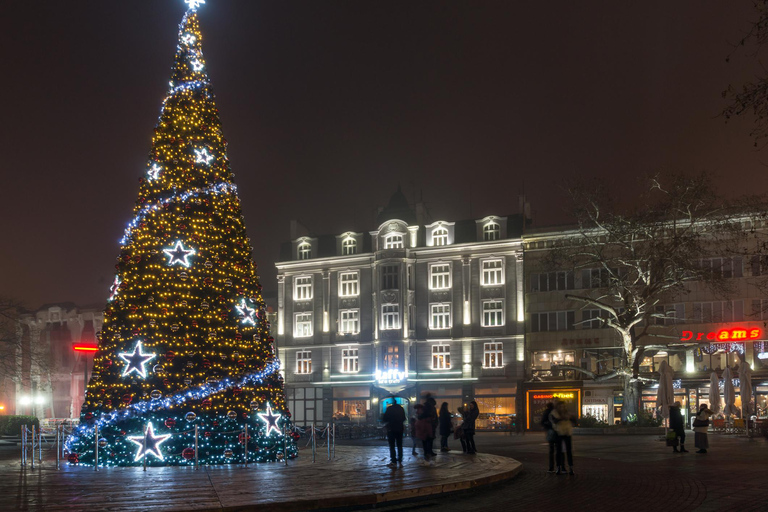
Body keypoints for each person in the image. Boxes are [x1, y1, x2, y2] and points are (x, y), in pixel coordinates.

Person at [550, 401, 576, 475]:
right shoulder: (554, 413)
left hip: (567, 433)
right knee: (559, 451)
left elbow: (574, 421)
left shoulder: (568, 413)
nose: (562, 408)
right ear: (557, 407)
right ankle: (559, 467)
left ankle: (571, 467)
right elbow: (554, 421)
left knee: (569, 451)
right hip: (559, 433)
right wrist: (562, 418)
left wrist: (572, 417)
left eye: (563, 406)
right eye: (560, 406)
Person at [381, 398, 406, 467]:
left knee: (392, 445)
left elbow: (384, 418)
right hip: (400, 428)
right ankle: (400, 459)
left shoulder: (389, 409)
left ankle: (393, 461)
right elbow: (404, 418)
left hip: (391, 428)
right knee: (399, 444)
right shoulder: (401, 409)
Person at [540, 402, 557, 472]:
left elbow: (542, 422)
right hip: (557, 431)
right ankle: (560, 467)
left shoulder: (546, 412)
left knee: (551, 450)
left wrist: (548, 428)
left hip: (550, 432)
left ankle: (551, 467)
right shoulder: (556, 412)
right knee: (559, 450)